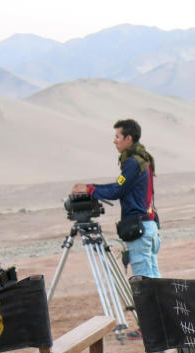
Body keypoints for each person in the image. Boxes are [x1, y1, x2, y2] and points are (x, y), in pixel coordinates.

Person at [73, 118, 160, 340]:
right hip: (149, 225)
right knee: (153, 278)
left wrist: (90, 189)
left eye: (117, 137)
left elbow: (117, 189)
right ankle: (161, 323)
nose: (114, 141)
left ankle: (151, 328)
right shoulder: (145, 160)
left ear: (128, 138)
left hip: (139, 228)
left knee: (143, 280)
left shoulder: (133, 162)